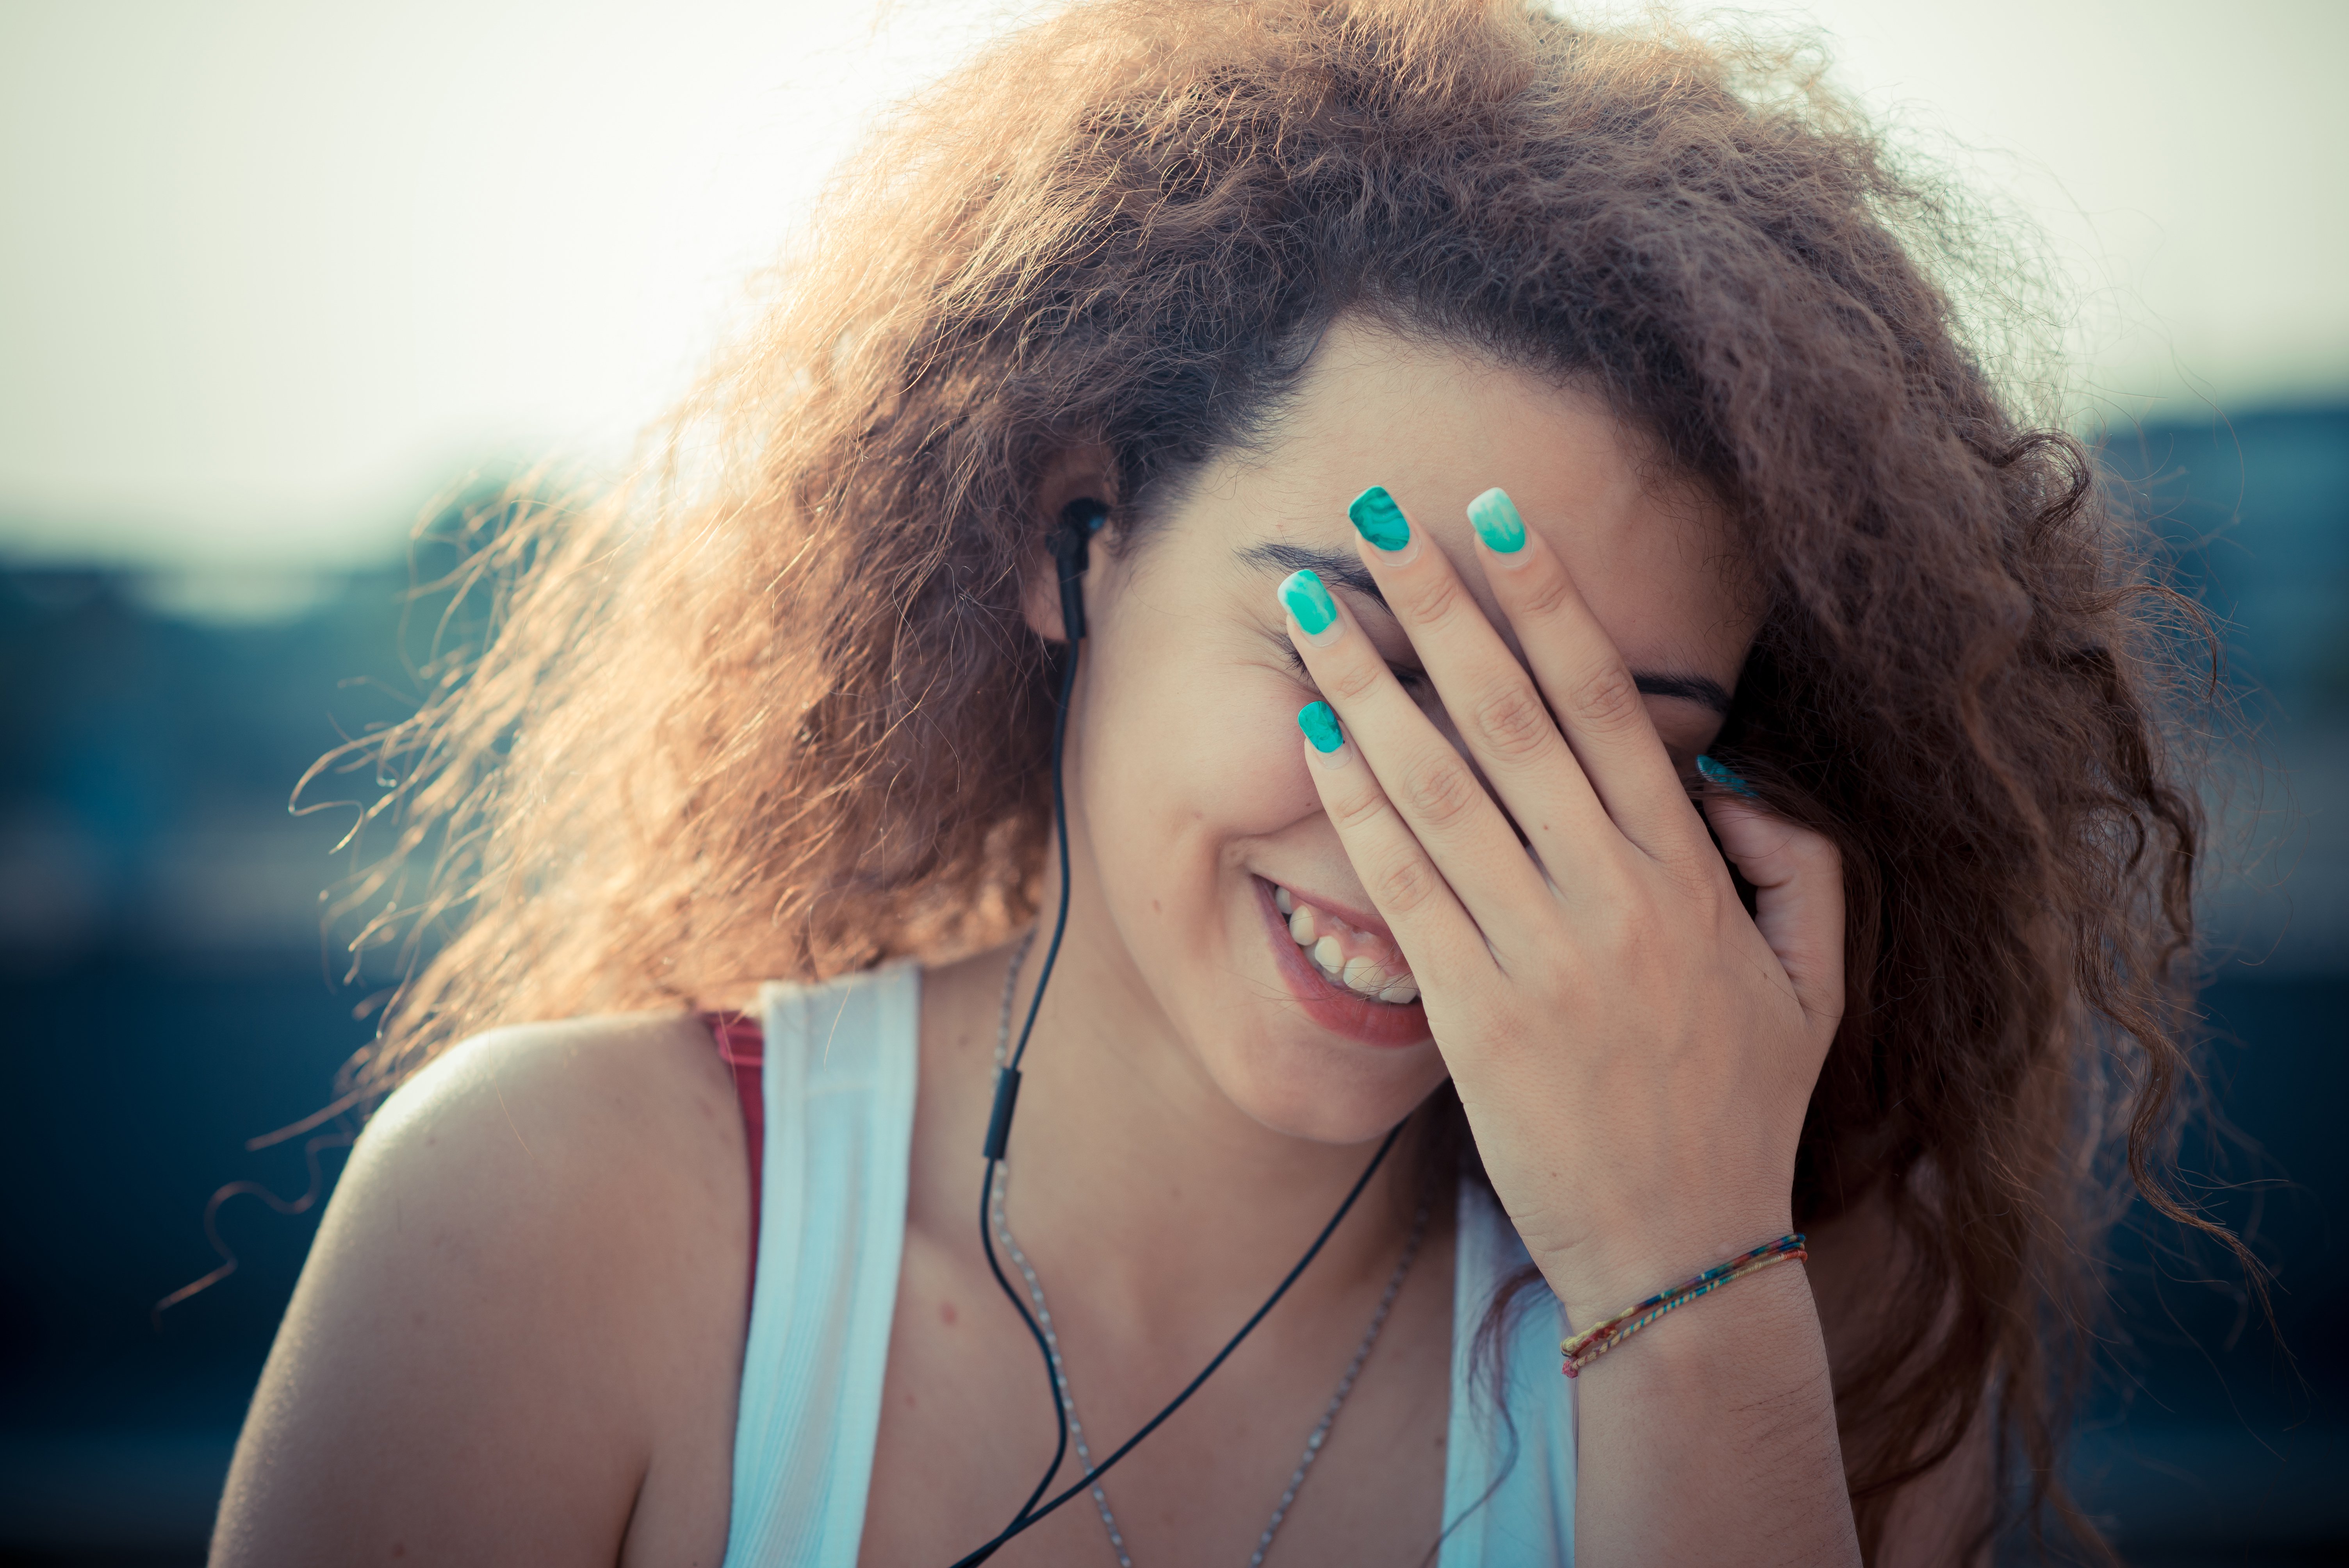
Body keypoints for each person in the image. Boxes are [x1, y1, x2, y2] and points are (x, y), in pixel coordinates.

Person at [211, 2, 2223, 1563]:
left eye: (1614, 743)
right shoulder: (557, 1222)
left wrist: (1686, 1294)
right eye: (1358, 653)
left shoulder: (1809, 1319)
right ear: (1071, 537)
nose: (1440, 835)